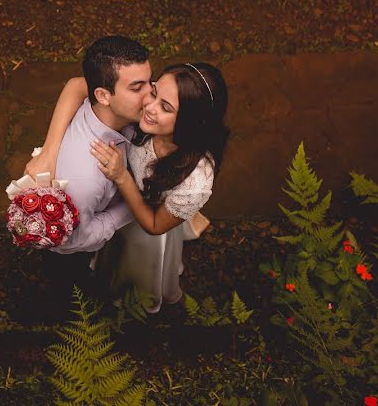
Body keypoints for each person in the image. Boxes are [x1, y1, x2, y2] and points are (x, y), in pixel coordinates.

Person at [27, 62, 229, 312]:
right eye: (154, 92)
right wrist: (49, 151)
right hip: (116, 207)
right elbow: (78, 85)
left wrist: (122, 177)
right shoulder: (144, 118)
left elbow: (155, 225)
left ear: (190, 123)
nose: (149, 107)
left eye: (165, 107)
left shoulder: (196, 180)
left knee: (131, 268)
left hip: (145, 224)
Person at [38, 36, 152, 267]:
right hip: (77, 255)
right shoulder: (84, 180)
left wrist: (48, 151)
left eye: (150, 82)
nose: (151, 95)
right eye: (137, 88)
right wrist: (137, 206)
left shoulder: (109, 106)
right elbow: (70, 241)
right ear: (102, 95)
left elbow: (76, 84)